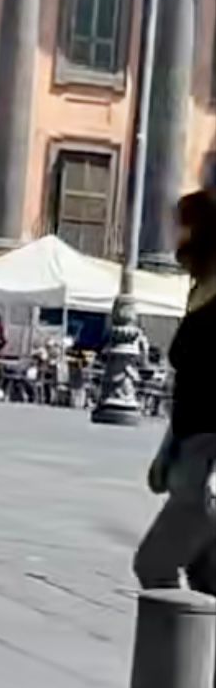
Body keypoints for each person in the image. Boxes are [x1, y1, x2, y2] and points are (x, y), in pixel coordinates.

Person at [134, 186, 216, 597]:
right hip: (191, 447)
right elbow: (192, 382)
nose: (175, 238)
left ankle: (174, 659)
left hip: (209, 459)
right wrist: (168, 449)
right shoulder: (202, 291)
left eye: (184, 227)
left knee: (155, 563)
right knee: (208, 580)